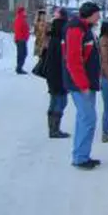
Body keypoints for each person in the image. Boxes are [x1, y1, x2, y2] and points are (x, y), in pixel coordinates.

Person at [64, 2, 103, 169]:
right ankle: (80, 157)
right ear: (90, 14)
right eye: (97, 14)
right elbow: (73, 59)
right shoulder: (76, 30)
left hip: (86, 82)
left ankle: (82, 155)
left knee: (85, 119)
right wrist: (83, 84)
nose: (99, 17)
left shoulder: (85, 29)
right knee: (88, 119)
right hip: (80, 84)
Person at [41, 9, 70, 139]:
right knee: (61, 100)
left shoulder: (52, 35)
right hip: (60, 72)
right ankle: (55, 129)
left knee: (54, 99)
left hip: (51, 72)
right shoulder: (63, 37)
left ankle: (52, 129)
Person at [13, 7, 31, 74]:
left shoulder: (22, 18)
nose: (26, 12)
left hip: (22, 39)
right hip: (21, 40)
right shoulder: (19, 19)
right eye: (24, 11)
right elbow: (18, 30)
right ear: (22, 12)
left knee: (23, 54)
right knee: (22, 54)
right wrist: (22, 38)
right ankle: (19, 68)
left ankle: (19, 67)